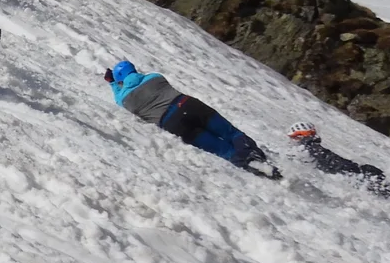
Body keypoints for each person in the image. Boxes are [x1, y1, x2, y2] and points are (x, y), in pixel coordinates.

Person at [105, 60, 278, 177]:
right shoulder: (155, 77)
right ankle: (259, 158)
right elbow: (140, 80)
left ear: (119, 80)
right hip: (188, 105)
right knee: (231, 133)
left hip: (172, 123)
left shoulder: (125, 100)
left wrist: (112, 83)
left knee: (223, 150)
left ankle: (259, 172)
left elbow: (118, 96)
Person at [285, 122, 390, 196]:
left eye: (293, 138)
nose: (292, 141)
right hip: (353, 175)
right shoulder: (311, 148)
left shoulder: (307, 149)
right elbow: (332, 161)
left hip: (350, 176)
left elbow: (332, 161)